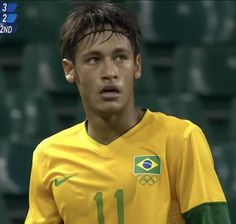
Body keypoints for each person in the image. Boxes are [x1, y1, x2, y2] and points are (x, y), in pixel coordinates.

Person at [25, 1, 231, 224]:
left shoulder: (181, 139)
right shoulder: (48, 156)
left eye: (120, 57)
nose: (110, 72)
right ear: (70, 70)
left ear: (137, 66)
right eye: (94, 59)